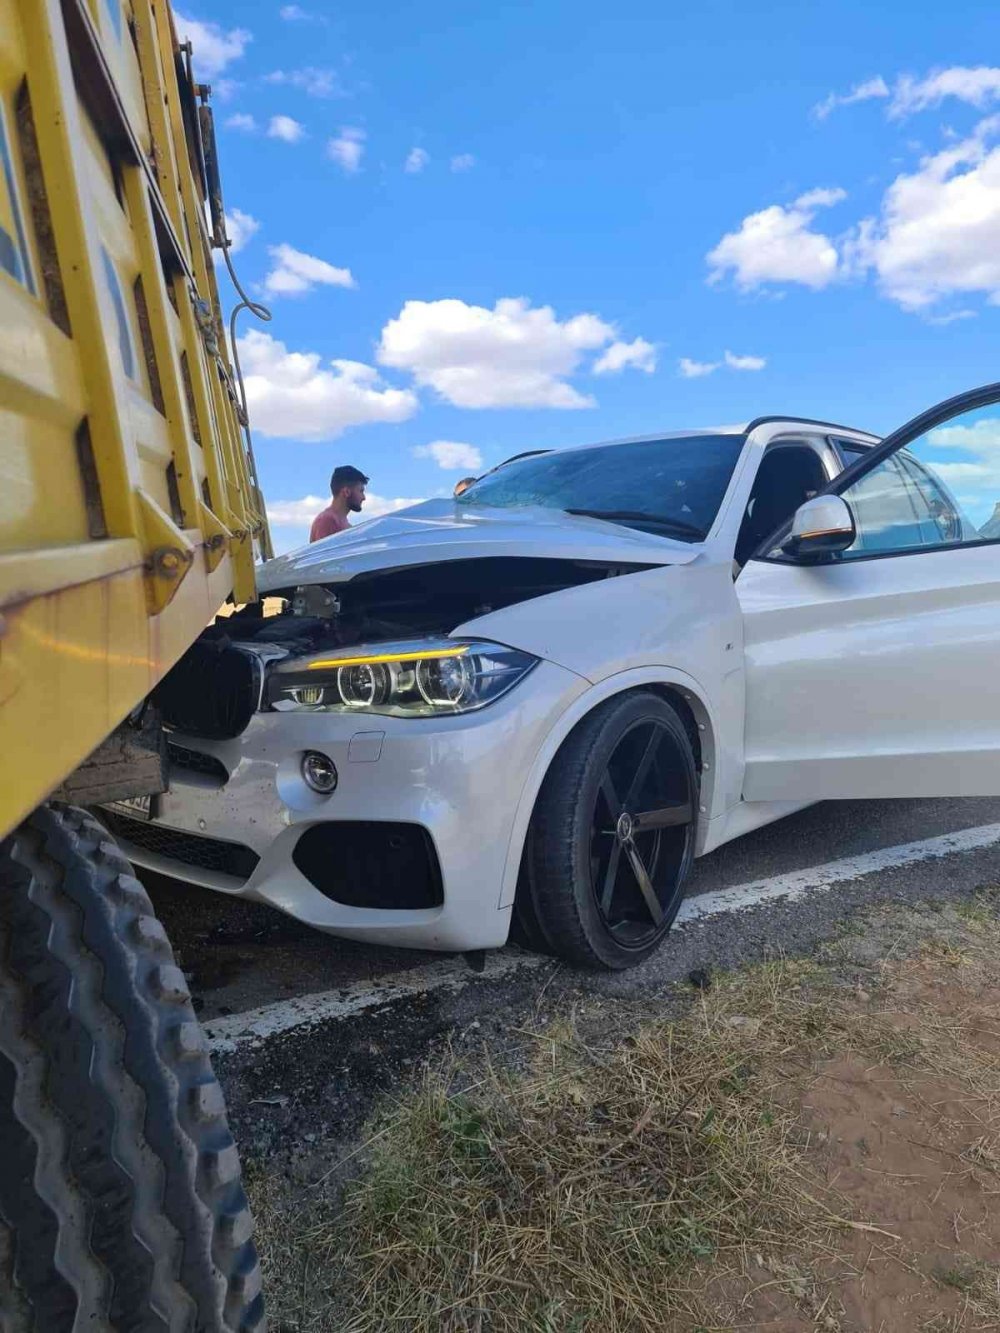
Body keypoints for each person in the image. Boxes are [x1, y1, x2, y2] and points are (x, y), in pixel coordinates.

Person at [310, 465, 369, 541]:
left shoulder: (343, 524)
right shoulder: (326, 521)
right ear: (346, 492)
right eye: (361, 491)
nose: (364, 497)